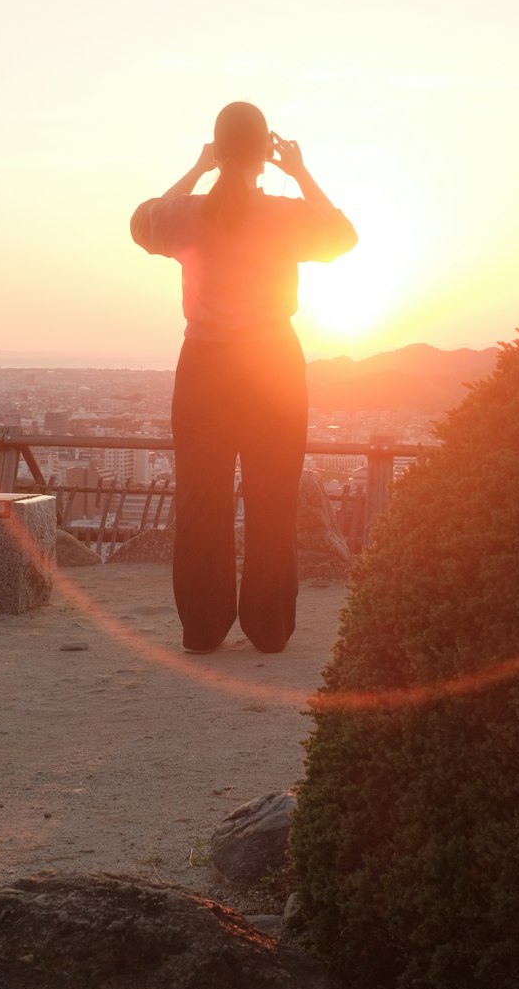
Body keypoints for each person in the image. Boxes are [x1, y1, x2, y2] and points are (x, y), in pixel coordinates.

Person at [130, 102, 357, 654]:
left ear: (220, 147)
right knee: (273, 499)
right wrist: (300, 171)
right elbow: (343, 236)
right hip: (272, 368)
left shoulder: (188, 214)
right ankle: (269, 628)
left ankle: (203, 629)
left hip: (205, 367)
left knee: (201, 502)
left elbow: (143, 221)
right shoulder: (283, 214)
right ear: (264, 153)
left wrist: (198, 167)